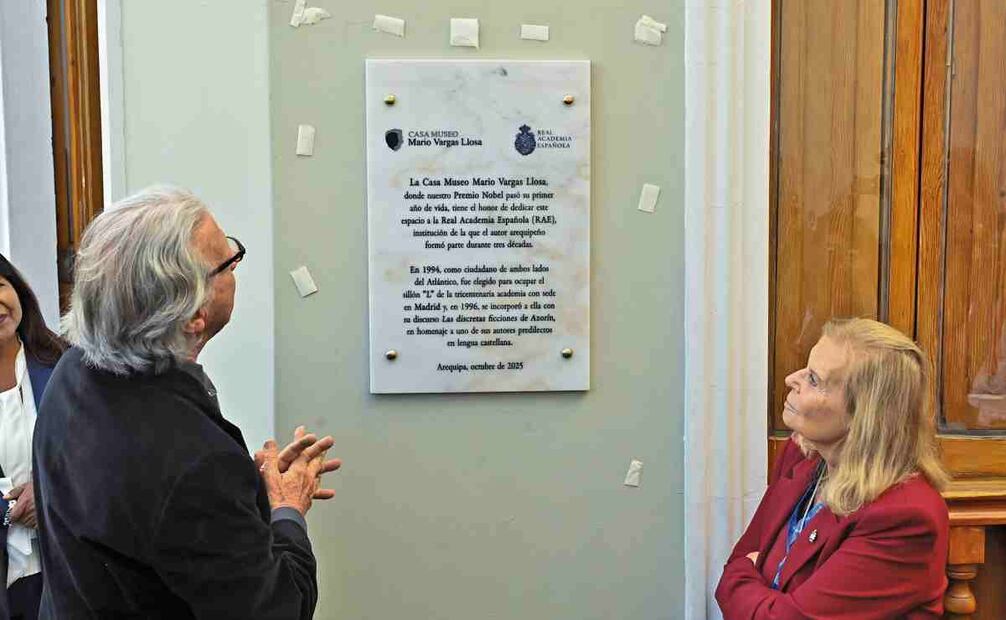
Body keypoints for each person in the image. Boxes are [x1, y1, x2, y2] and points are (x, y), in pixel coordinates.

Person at [32, 187, 341, 618]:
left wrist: (238, 496)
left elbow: (138, 512)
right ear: (193, 314)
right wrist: (286, 507)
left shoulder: (74, 372)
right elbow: (278, 609)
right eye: (228, 261)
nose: (236, 262)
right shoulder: (197, 465)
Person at [716, 318, 950, 619]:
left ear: (863, 414)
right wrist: (748, 577)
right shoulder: (802, 455)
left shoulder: (906, 517)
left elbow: (751, 590)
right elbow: (737, 561)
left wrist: (747, 576)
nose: (791, 379)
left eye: (814, 379)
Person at [0, 255, 66, 620]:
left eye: (0, 287)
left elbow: (95, 456)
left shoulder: (63, 363)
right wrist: (8, 511)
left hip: (65, 563)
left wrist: (47, 495)